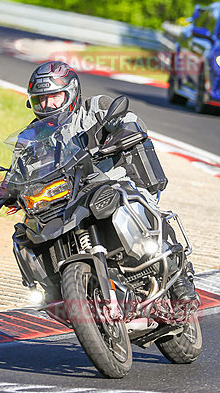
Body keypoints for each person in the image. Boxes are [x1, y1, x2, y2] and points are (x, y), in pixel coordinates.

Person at [23, 60, 199, 317]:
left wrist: (120, 132)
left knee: (135, 198)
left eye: (54, 97)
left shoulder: (96, 107)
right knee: (26, 229)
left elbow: (127, 119)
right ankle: (55, 293)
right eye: (41, 99)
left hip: (111, 180)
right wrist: (6, 189)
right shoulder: (33, 136)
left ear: (71, 92)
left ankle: (178, 275)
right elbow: (22, 169)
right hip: (68, 199)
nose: (47, 105)